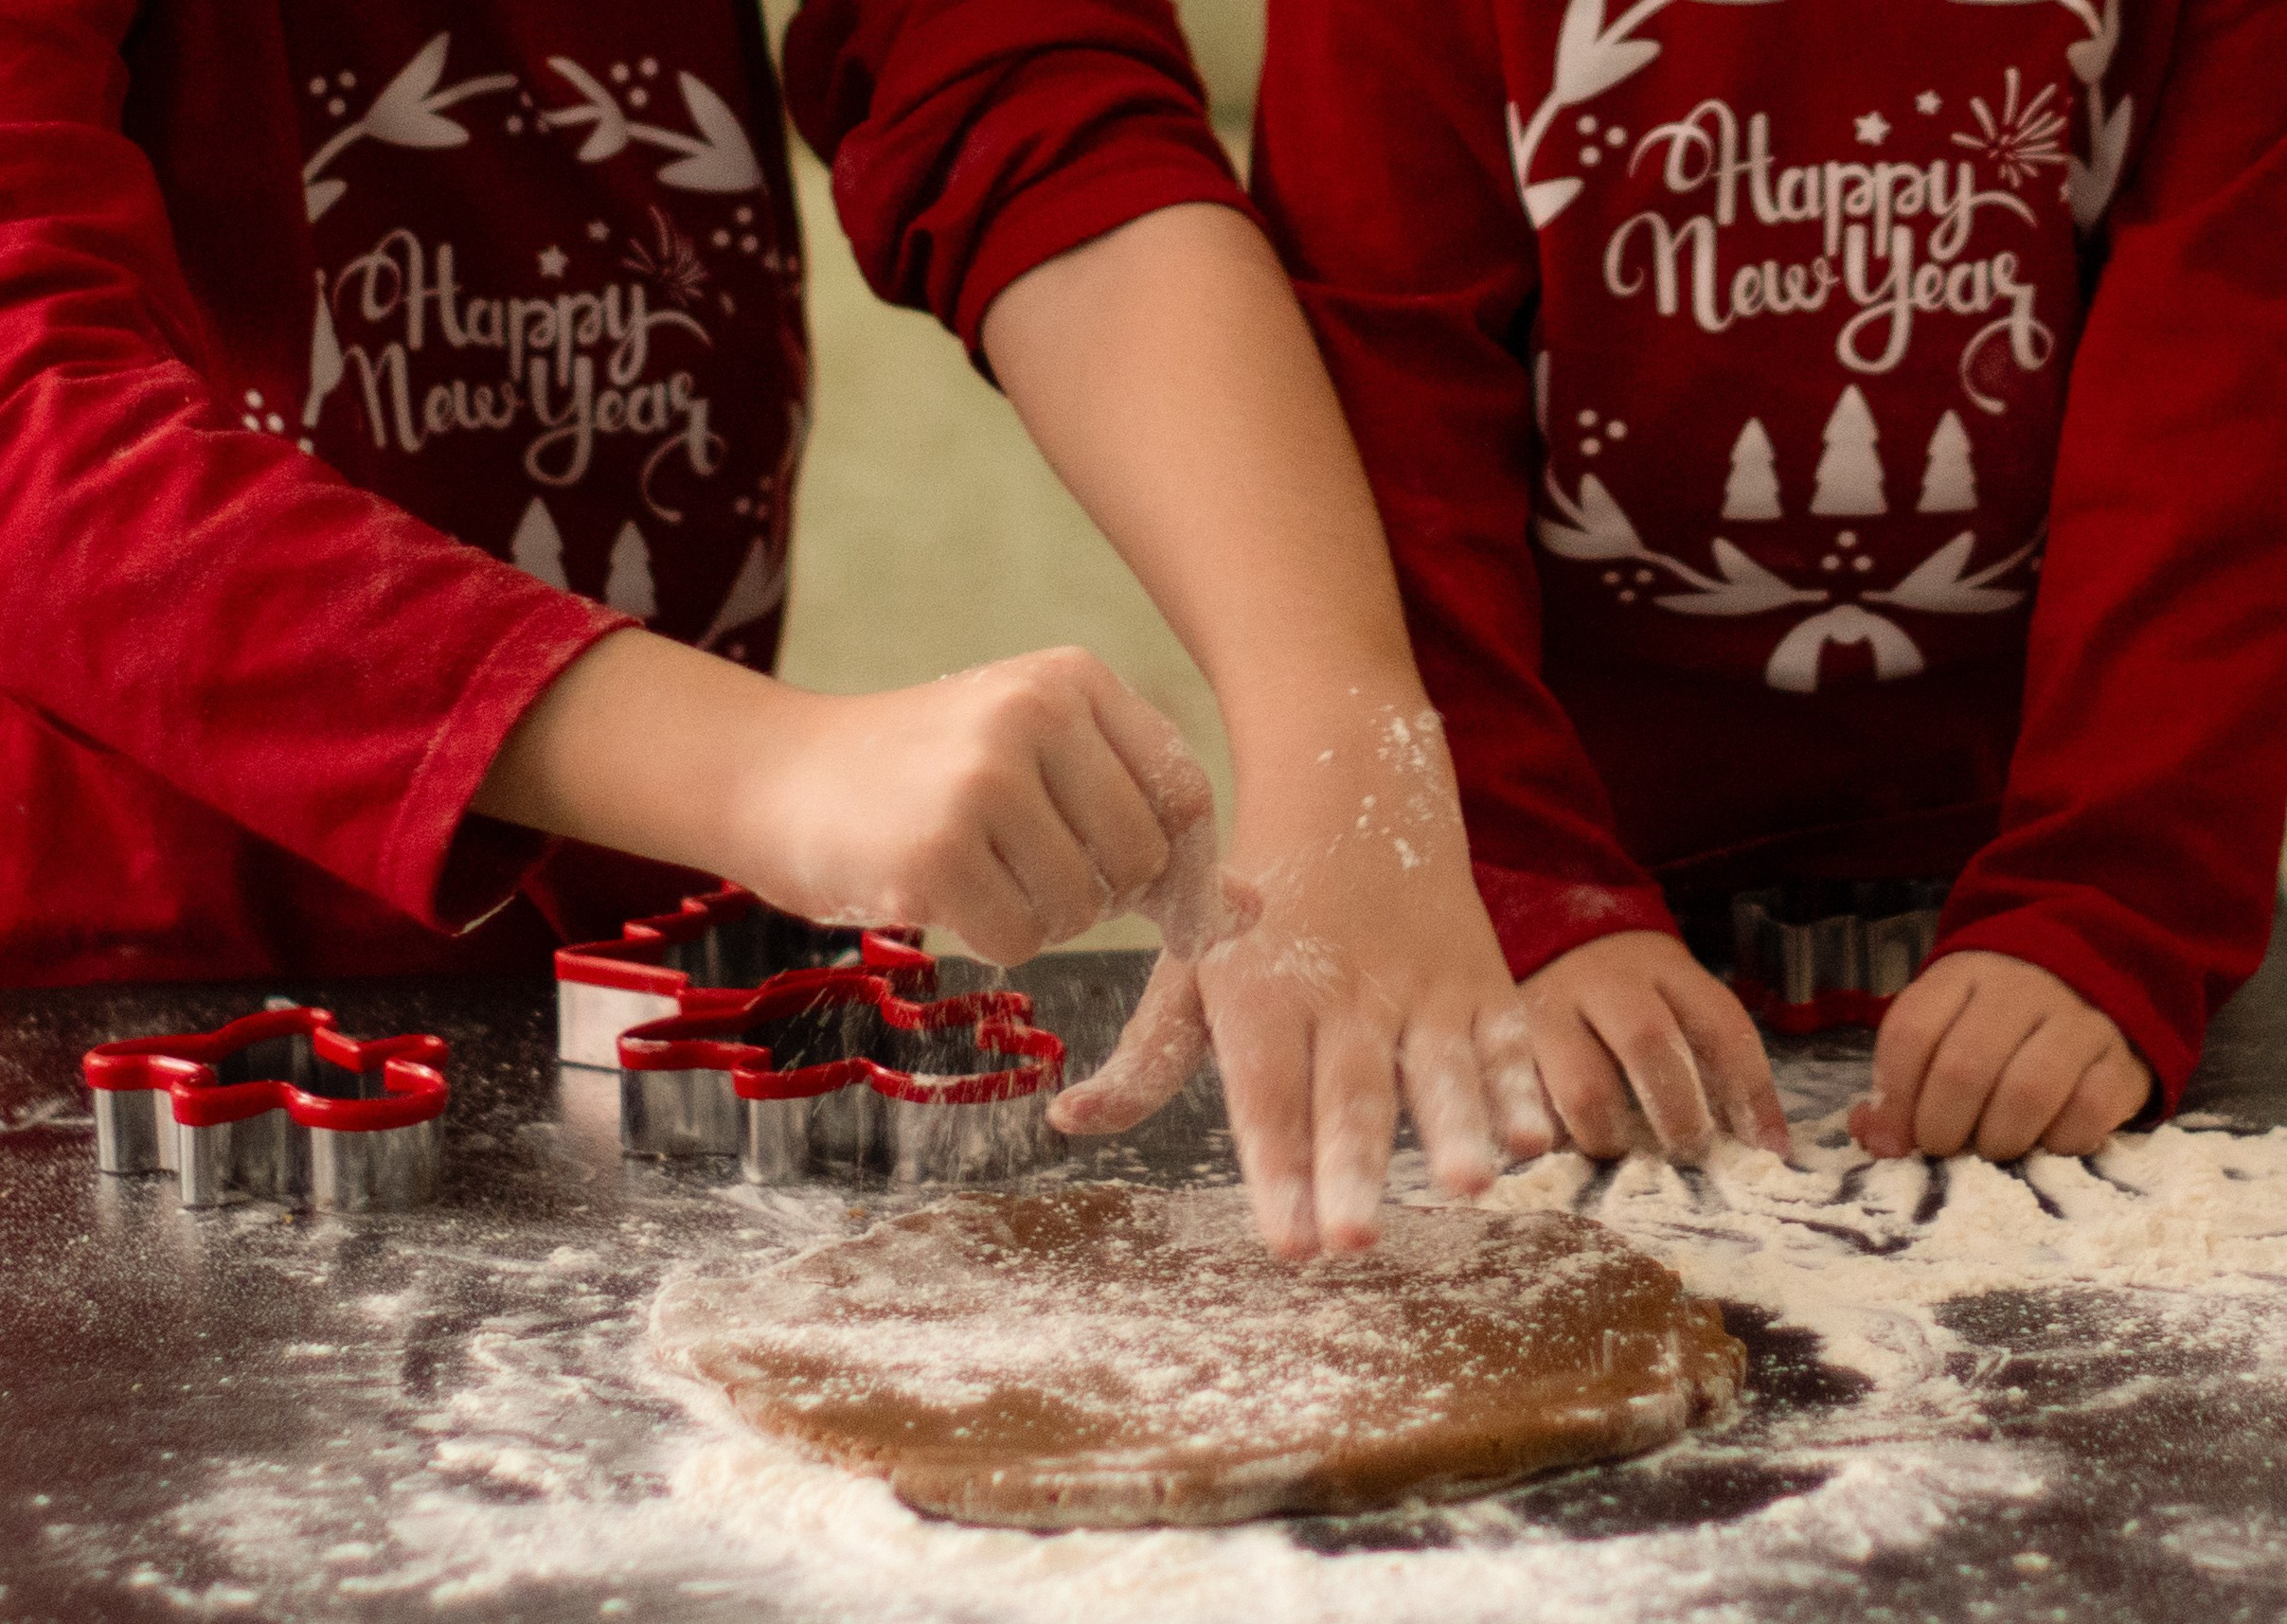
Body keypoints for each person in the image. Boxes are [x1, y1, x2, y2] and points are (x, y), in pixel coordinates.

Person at [2, 0, 1628, 1258]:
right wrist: (768, 766)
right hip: (110, 1005)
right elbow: (28, 412)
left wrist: (1337, 714)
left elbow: (1026, 90)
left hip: (628, 997)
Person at [1213, 0, 2287, 1169]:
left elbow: (2223, 408)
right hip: (1559, 859)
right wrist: (1517, 885)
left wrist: (2111, 903)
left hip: (2041, 851)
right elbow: (1385, 422)